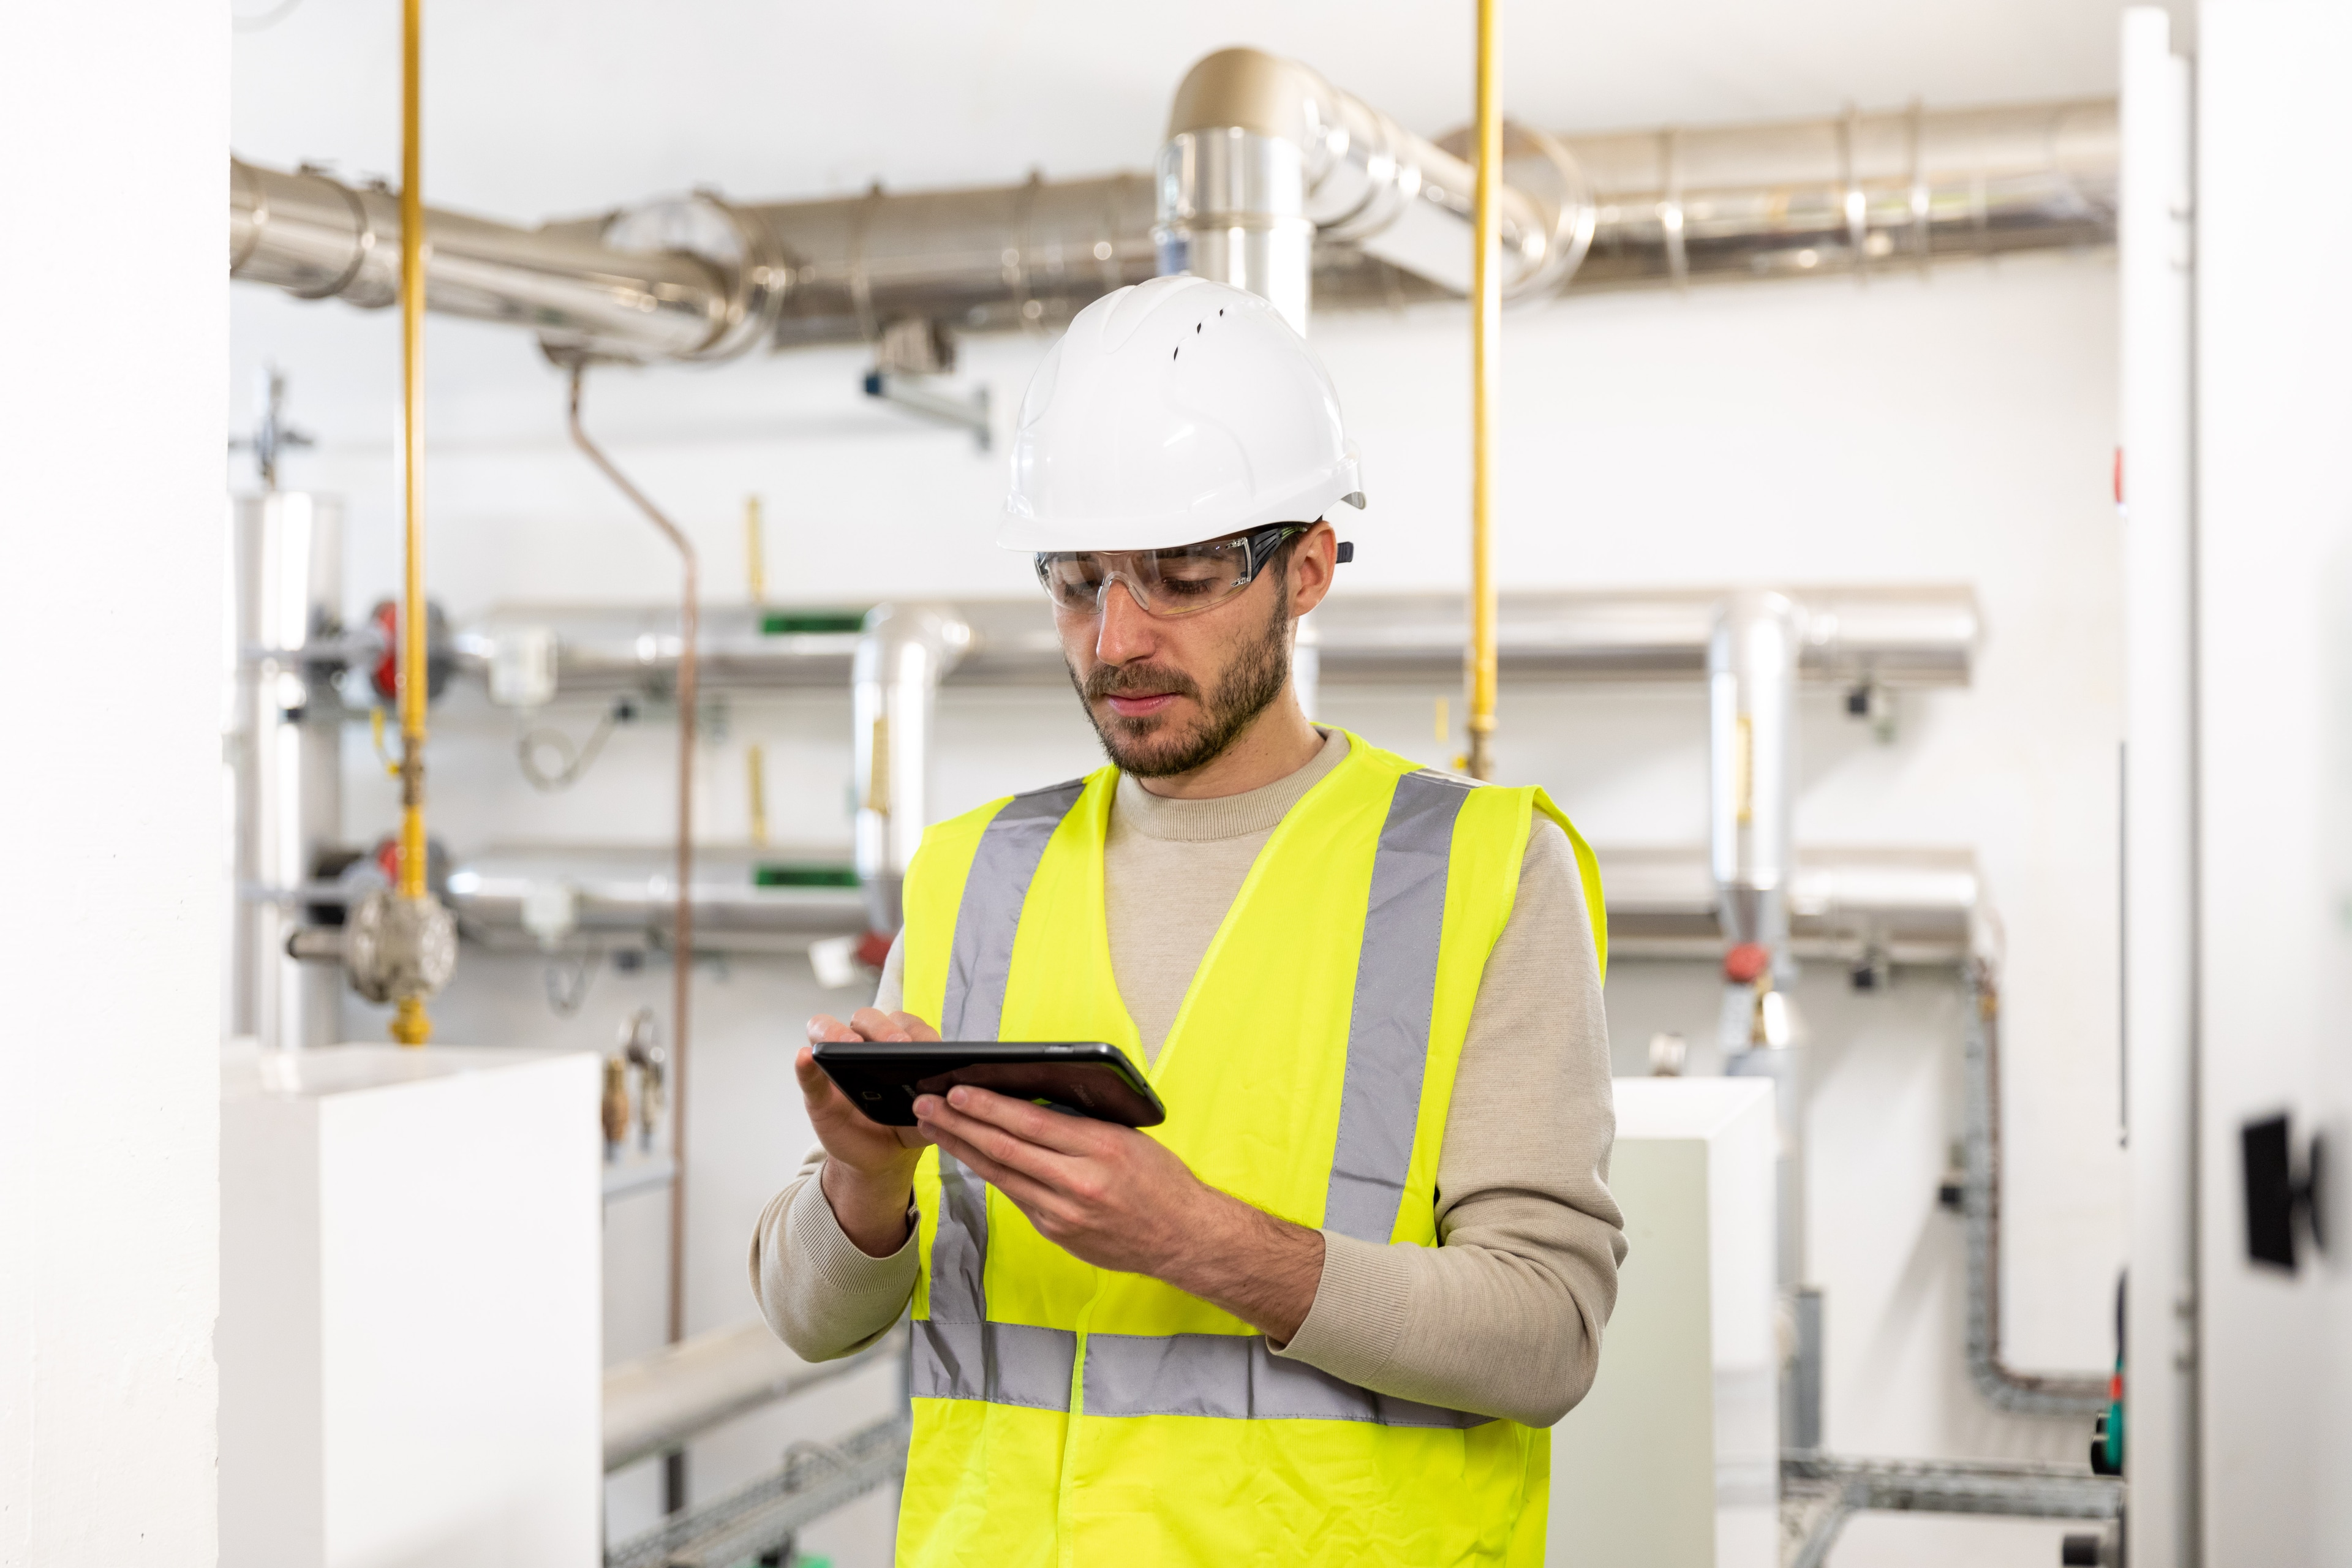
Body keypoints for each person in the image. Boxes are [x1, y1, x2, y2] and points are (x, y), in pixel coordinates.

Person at [750, 275, 1623, 1565]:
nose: (1118, 638)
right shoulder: (974, 869)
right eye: (1078, 581)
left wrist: (1206, 1242)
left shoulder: (1484, 871)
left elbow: (1550, 1328)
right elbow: (810, 1316)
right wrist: (863, 1184)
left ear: (1308, 566)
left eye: (1181, 575)